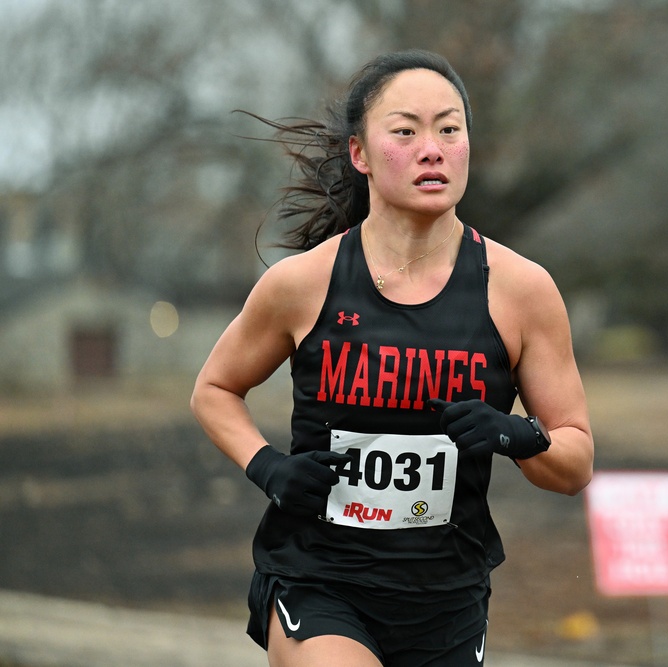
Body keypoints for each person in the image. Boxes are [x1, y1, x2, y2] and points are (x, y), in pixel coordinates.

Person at [190, 49, 593, 667]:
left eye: (449, 129)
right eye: (405, 132)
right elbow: (214, 390)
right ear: (361, 154)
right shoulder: (305, 282)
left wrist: (514, 434)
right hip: (319, 576)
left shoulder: (522, 290)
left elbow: (575, 463)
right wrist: (268, 466)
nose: (432, 148)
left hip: (446, 596)